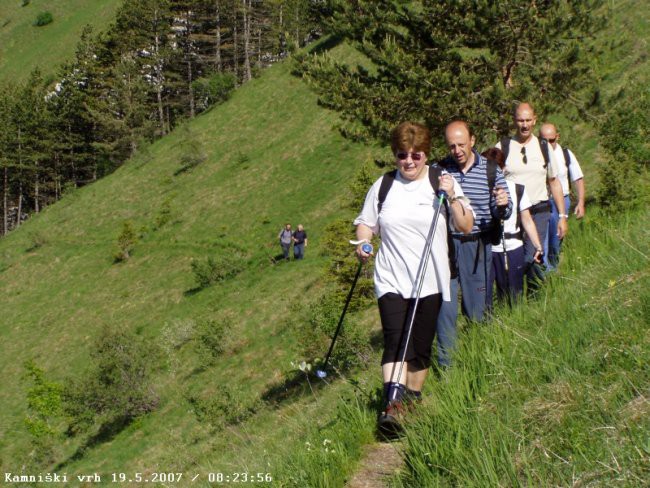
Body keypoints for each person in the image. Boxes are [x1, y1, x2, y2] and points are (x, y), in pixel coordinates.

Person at [353, 121, 474, 436]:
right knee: (395, 340)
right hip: (391, 278)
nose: (408, 161)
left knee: (419, 348)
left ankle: (412, 400)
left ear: (426, 154)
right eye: (401, 155)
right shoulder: (383, 186)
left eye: (416, 155)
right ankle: (391, 406)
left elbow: (465, 225)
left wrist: (453, 197)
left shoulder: (440, 182)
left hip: (431, 279)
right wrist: (364, 243)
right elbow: (366, 224)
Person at [436, 120, 512, 352]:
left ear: (472, 140)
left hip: (477, 244)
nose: (457, 151)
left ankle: (481, 353)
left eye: (461, 144)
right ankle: (448, 362)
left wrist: (502, 205)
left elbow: (504, 210)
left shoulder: (490, 169)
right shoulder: (439, 170)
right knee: (445, 308)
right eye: (451, 146)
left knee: (477, 308)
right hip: (446, 245)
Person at [496, 103, 567, 287]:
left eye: (528, 120)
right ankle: (521, 297)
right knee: (517, 256)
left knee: (533, 253)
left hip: (539, 210)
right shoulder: (503, 146)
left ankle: (537, 293)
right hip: (514, 213)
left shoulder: (544, 147)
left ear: (534, 120)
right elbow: (493, 181)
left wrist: (562, 216)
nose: (525, 125)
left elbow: (554, 181)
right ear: (514, 121)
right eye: (520, 120)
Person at [482, 148, 543, 304]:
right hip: (488, 247)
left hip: (513, 246)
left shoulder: (517, 189)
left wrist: (537, 246)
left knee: (513, 292)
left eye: (495, 169)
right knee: (486, 294)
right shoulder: (479, 191)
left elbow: (527, 220)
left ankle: (515, 319)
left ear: (503, 169)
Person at [539, 123, 586, 271]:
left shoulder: (565, 154)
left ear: (557, 137)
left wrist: (581, 202)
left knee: (556, 240)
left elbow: (578, 178)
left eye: (551, 140)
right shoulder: (535, 155)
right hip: (541, 203)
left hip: (561, 202)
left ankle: (553, 269)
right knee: (541, 242)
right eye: (544, 140)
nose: (548, 144)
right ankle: (545, 274)